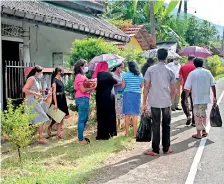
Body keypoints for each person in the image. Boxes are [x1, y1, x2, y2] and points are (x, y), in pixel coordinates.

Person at [143, 48, 175, 156]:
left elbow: (146, 87)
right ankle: (166, 148)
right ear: (166, 57)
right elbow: (173, 88)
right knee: (167, 124)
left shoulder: (150, 70)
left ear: (157, 56)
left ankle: (155, 149)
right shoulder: (170, 70)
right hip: (166, 101)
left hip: (154, 101)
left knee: (155, 125)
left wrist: (144, 103)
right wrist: (170, 98)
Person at [184, 57, 216, 139]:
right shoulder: (208, 72)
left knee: (197, 115)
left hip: (196, 98)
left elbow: (187, 88)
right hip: (205, 98)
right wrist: (214, 97)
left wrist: (186, 99)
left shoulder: (192, 73)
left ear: (194, 64)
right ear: (202, 64)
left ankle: (199, 133)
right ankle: (204, 130)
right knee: (203, 114)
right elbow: (213, 85)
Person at [22, 65, 49, 144]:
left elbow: (34, 89)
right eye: (41, 72)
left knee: (36, 119)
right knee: (41, 117)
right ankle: (40, 137)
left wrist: (43, 91)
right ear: (37, 72)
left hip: (34, 100)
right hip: (31, 100)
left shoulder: (36, 79)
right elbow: (24, 89)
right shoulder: (31, 79)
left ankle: (35, 136)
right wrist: (36, 94)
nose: (42, 74)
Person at [94, 62, 118, 140]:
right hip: (108, 97)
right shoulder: (108, 74)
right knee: (109, 114)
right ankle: (110, 133)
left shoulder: (97, 75)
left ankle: (101, 134)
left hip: (99, 97)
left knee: (101, 115)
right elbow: (115, 82)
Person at [74, 59, 96, 144]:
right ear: (81, 67)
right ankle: (80, 139)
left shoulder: (82, 75)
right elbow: (83, 89)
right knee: (82, 119)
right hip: (82, 98)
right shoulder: (79, 76)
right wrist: (92, 88)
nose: (87, 67)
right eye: (85, 65)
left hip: (84, 98)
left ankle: (81, 136)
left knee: (85, 118)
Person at [122, 60, 144, 137]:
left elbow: (123, 86)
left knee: (127, 114)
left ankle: (127, 133)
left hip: (127, 94)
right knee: (135, 114)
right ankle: (135, 134)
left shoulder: (125, 75)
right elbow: (141, 86)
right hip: (136, 95)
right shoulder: (140, 75)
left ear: (129, 67)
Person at [47, 67, 69, 139]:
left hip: (62, 99)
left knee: (61, 116)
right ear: (58, 72)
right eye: (62, 71)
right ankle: (56, 132)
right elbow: (54, 93)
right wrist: (55, 104)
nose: (63, 72)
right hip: (57, 100)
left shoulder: (60, 80)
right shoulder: (54, 80)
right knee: (57, 117)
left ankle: (57, 132)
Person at [179, 56, 196, 126]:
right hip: (195, 89)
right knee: (194, 104)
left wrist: (180, 86)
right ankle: (194, 121)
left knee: (183, 102)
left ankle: (188, 115)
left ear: (187, 59)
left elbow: (180, 79)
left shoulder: (182, 67)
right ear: (193, 60)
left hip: (185, 88)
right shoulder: (196, 67)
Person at [112, 63, 125, 129]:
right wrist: (120, 83)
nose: (122, 69)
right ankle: (118, 123)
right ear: (117, 67)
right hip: (116, 93)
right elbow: (111, 83)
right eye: (121, 67)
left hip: (124, 93)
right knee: (117, 108)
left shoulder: (123, 74)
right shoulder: (112, 74)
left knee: (123, 108)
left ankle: (124, 123)